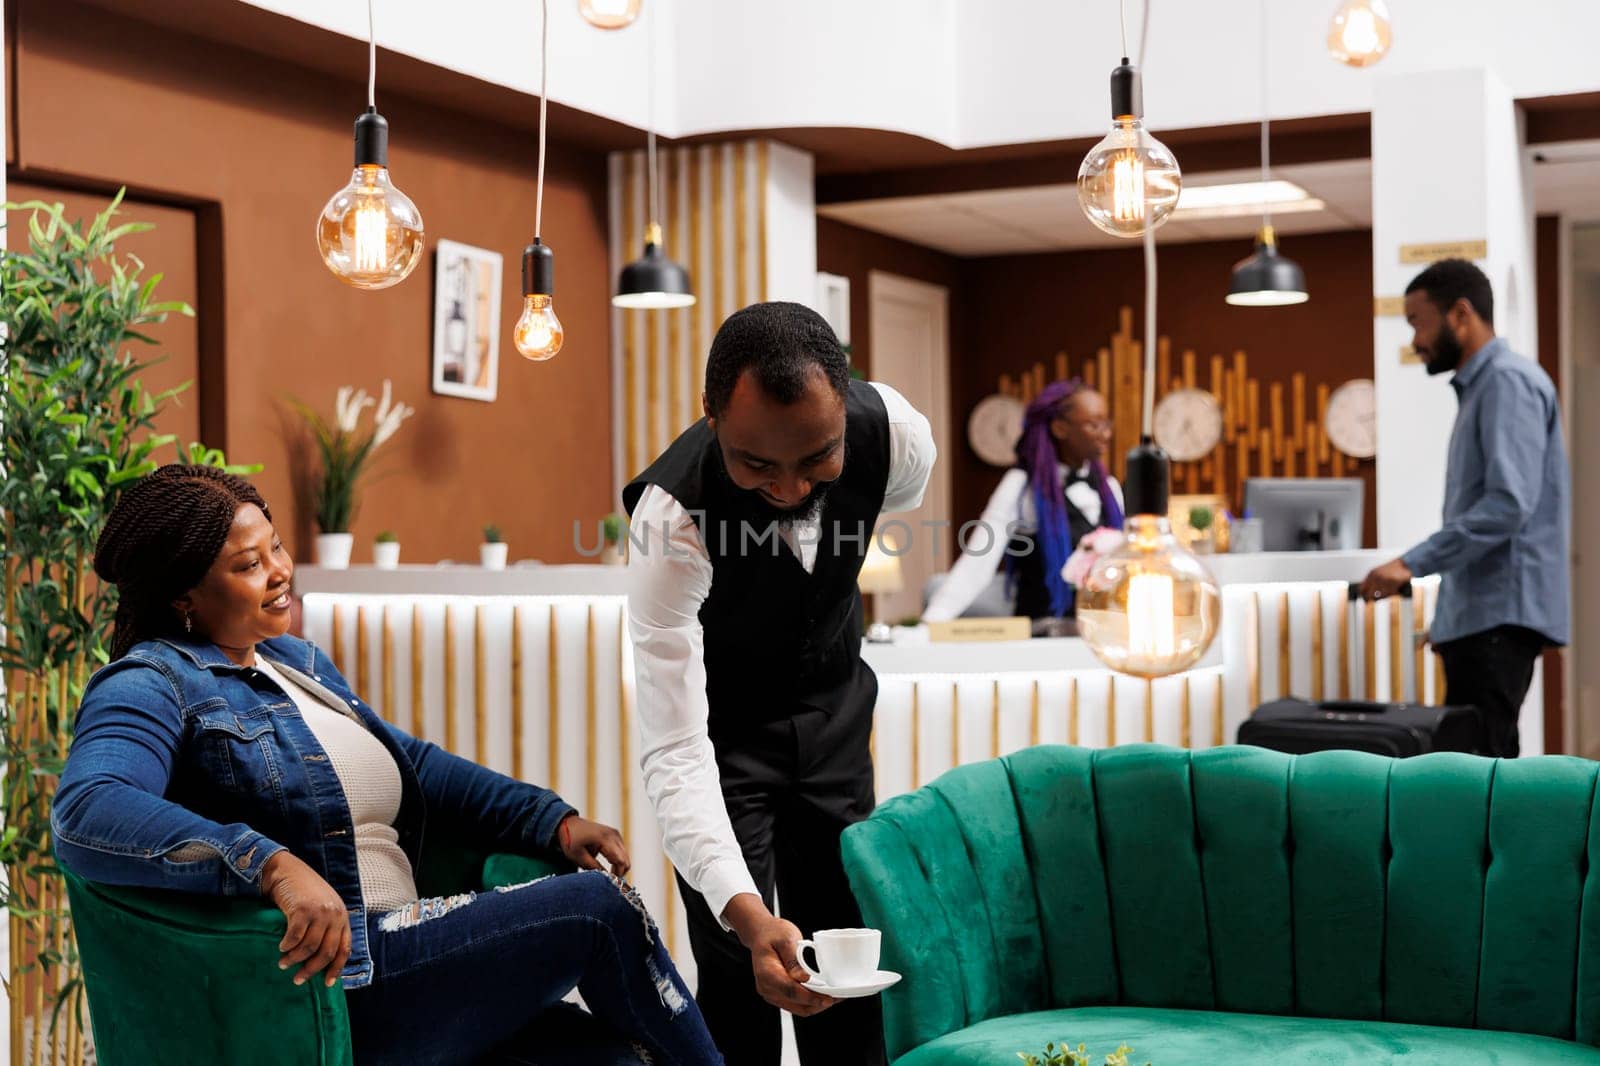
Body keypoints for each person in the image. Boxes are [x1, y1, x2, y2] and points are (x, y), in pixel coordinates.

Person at [52, 465, 722, 1066]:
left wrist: (551, 821)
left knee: (612, 1059)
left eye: (276, 547)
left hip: (417, 954)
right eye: (248, 565)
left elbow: (417, 767)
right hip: (348, 982)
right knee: (597, 909)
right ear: (184, 598)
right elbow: (90, 808)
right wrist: (269, 865)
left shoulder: (298, 667)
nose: (280, 571)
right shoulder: (150, 681)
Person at [622, 302, 936, 1066]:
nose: (792, 489)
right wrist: (744, 911)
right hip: (724, 738)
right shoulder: (672, 521)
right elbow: (673, 744)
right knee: (741, 968)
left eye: (817, 459)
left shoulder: (897, 437)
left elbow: (879, 505)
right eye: (757, 465)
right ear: (712, 420)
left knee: (848, 963)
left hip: (834, 717)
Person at [1359, 259, 1569, 757]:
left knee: (1480, 780)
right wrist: (1453, 622)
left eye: (1417, 321)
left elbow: (1506, 506)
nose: (1414, 342)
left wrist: (1410, 563)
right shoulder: (1487, 387)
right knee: (1475, 773)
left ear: (1459, 314)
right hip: (1483, 622)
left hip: (1497, 624)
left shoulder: (1505, 383)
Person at [923, 379, 1123, 624]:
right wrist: (930, 624)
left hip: (1100, 636)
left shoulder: (1110, 488)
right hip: (1038, 636)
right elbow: (979, 561)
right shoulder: (1022, 487)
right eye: (1094, 425)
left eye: (1106, 423)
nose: (1106, 433)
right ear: (1060, 428)